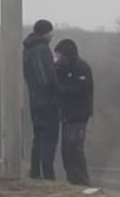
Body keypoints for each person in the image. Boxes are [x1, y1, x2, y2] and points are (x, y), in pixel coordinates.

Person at [22, 19, 59, 180]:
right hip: (47, 100)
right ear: (46, 33)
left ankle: (35, 172)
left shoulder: (28, 49)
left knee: (38, 137)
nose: (52, 35)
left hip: (34, 98)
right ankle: (48, 173)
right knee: (49, 137)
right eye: (51, 32)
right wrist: (56, 88)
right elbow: (46, 77)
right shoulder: (42, 50)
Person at [54, 38, 94, 186]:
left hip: (78, 115)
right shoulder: (63, 68)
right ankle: (72, 179)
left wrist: (60, 89)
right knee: (66, 149)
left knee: (75, 147)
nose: (58, 58)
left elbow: (78, 90)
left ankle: (82, 180)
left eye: (60, 55)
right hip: (66, 114)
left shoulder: (82, 68)